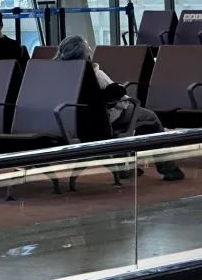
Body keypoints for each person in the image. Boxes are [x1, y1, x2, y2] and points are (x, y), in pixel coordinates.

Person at [56, 36, 184, 181]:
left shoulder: (58, 73)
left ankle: (125, 165)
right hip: (102, 120)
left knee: (136, 126)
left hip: (71, 122)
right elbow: (120, 102)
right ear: (86, 54)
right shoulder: (95, 75)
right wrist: (122, 94)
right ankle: (169, 169)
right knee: (151, 119)